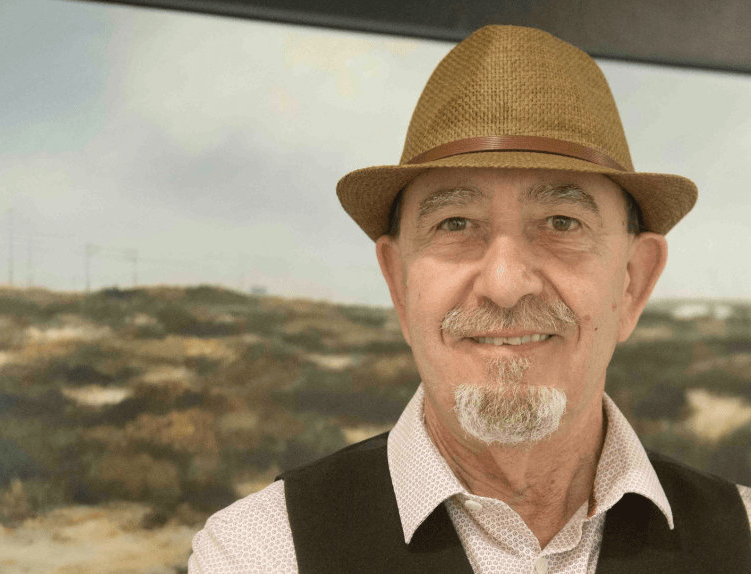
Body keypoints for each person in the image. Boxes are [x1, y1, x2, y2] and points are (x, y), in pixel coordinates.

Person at [188, 25, 751, 573]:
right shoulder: (260, 552)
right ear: (398, 283)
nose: (505, 284)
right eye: (455, 223)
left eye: (561, 222)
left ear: (631, 281)